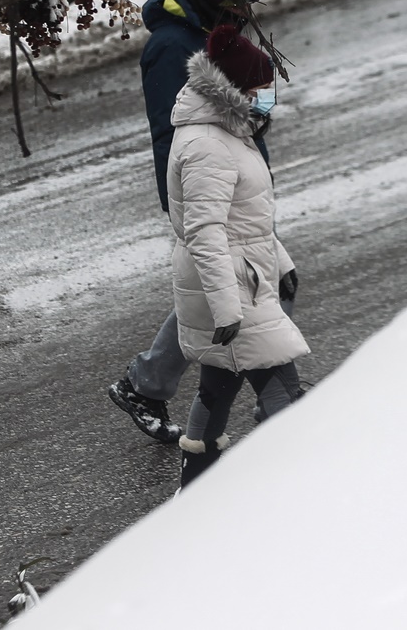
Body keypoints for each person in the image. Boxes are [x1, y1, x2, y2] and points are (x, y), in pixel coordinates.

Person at [106, 0, 301, 444]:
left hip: (236, 172)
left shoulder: (219, 26)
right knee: (230, 287)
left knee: (233, 284)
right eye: (236, 6)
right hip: (208, 184)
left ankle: (156, 389)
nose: (243, 15)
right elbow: (175, 132)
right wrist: (202, 191)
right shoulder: (171, 46)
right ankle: (277, 405)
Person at [168, 25, 309, 487]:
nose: (267, 96)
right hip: (231, 289)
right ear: (236, 90)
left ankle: (194, 490)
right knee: (284, 392)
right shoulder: (207, 145)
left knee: (218, 388)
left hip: (238, 278)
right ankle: (303, 487)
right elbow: (205, 230)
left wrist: (280, 260)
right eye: (262, 88)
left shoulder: (225, 131)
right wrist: (227, 306)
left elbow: (244, 217)